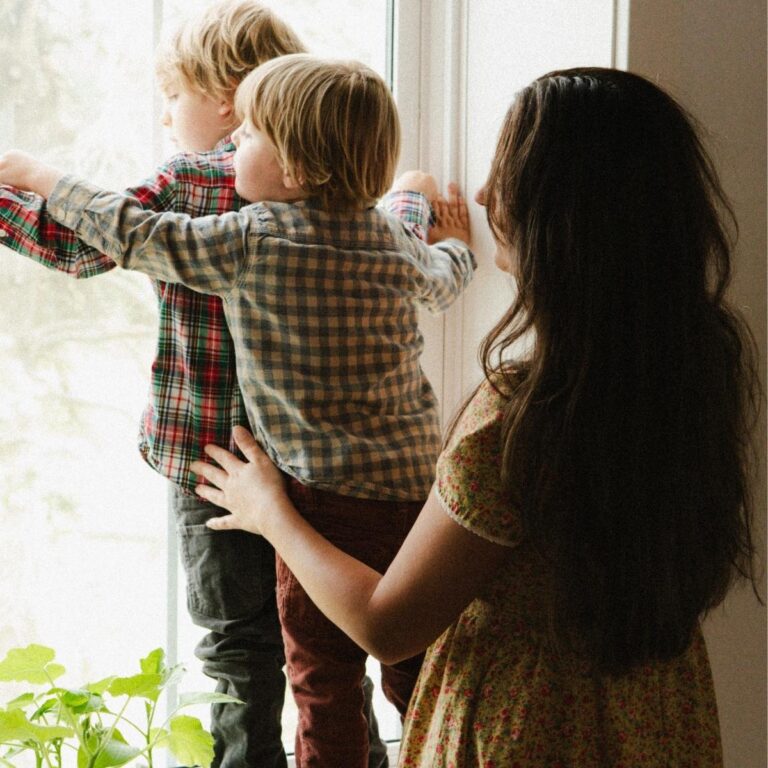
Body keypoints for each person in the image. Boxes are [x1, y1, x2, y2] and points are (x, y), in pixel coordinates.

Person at [181, 68, 758, 766]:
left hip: (528, 725)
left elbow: (386, 625)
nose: (483, 194)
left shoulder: (522, 419)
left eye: (507, 174)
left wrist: (271, 509)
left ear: (568, 212)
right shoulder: (694, 366)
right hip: (655, 715)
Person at [0, 54, 475, 767]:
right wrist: (455, 237)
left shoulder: (255, 241)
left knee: (325, 688)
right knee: (421, 675)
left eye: (248, 135)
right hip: (416, 498)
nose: (230, 150)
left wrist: (40, 177)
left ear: (294, 171)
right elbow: (442, 278)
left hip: (321, 503)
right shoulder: (389, 240)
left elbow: (134, 233)